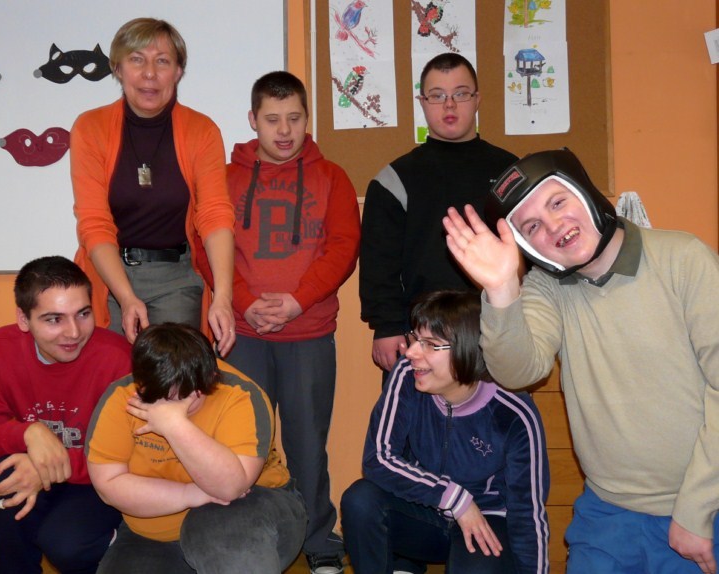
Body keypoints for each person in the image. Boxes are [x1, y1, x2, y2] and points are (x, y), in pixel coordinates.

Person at [443, 148, 719, 574]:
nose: (553, 226)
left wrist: (696, 509)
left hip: (703, 503)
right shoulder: (547, 287)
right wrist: (501, 290)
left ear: (587, 193)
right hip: (607, 510)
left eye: (558, 202)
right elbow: (519, 371)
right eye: (531, 226)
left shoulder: (683, 259)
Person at [223, 71, 360, 574]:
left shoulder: (333, 177)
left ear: (307, 119)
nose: (284, 131)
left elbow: (343, 248)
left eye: (295, 118)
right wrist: (243, 302)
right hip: (241, 334)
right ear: (253, 120)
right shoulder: (223, 178)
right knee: (242, 445)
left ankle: (319, 539)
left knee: (306, 445)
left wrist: (299, 302)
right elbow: (205, 247)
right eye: (272, 119)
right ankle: (246, 542)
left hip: (309, 334)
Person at [341, 290, 549, 574]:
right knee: (360, 500)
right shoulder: (406, 374)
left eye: (430, 344)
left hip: (486, 519)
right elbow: (378, 459)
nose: (411, 352)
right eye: (415, 338)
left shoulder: (513, 412)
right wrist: (455, 499)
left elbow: (528, 512)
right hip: (425, 508)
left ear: (469, 349)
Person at [86, 323, 307, 574]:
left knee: (216, 532)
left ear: (209, 378)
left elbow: (230, 488)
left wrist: (175, 426)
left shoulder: (240, 395)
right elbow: (109, 485)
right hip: (155, 529)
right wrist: (187, 494)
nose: (165, 406)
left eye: (181, 397)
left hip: (246, 508)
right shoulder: (121, 396)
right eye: (156, 396)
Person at [70, 17, 235, 352]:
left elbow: (215, 216)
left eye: (162, 61)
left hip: (175, 278)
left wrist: (223, 297)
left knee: (172, 374)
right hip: (107, 275)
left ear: (178, 71)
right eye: (136, 60)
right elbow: (94, 224)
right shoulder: (90, 128)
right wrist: (126, 297)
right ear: (118, 69)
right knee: (110, 377)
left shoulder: (202, 131)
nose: (149, 74)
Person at [0, 256, 132, 574]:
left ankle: (122, 547)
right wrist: (28, 431)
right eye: (54, 319)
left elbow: (136, 456)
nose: (74, 332)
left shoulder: (118, 359)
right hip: (49, 470)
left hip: (97, 482)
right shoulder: (0, 348)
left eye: (83, 314)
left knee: (68, 545)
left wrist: (50, 468)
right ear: (23, 320)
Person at [359, 52, 517, 376]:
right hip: (419, 335)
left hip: (495, 326)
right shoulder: (394, 180)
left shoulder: (511, 171)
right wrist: (386, 326)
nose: (449, 105)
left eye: (461, 93)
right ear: (422, 102)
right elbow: (379, 264)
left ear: (477, 100)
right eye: (437, 95)